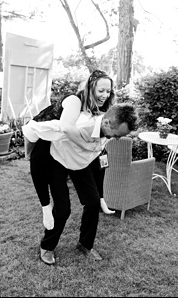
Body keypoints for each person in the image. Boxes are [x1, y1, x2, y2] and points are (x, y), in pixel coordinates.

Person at [29, 71, 134, 266]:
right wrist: (86, 145)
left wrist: (101, 196)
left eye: (108, 91)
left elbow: (100, 159)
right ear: (90, 87)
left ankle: (85, 244)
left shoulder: (105, 116)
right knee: (63, 209)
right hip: (58, 158)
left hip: (81, 162)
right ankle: (47, 246)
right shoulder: (74, 105)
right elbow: (64, 131)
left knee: (92, 202)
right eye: (100, 90)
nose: (104, 94)